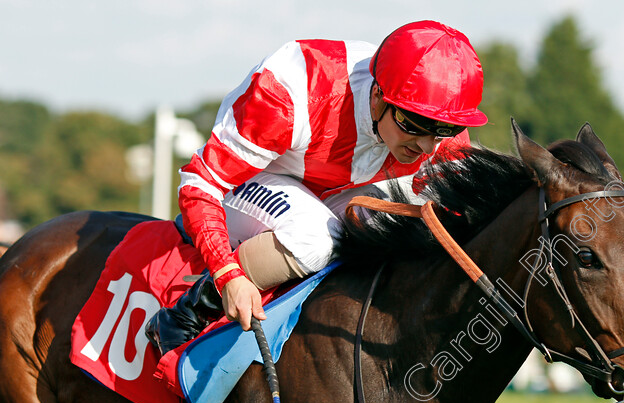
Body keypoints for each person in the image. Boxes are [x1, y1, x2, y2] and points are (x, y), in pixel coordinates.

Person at [145, 20, 487, 354]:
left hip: (330, 192)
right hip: (250, 179)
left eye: (442, 130)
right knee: (319, 239)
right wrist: (227, 274)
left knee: (400, 227)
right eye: (415, 125)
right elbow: (198, 183)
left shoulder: (441, 125)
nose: (427, 146)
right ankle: (187, 313)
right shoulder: (293, 87)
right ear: (380, 95)